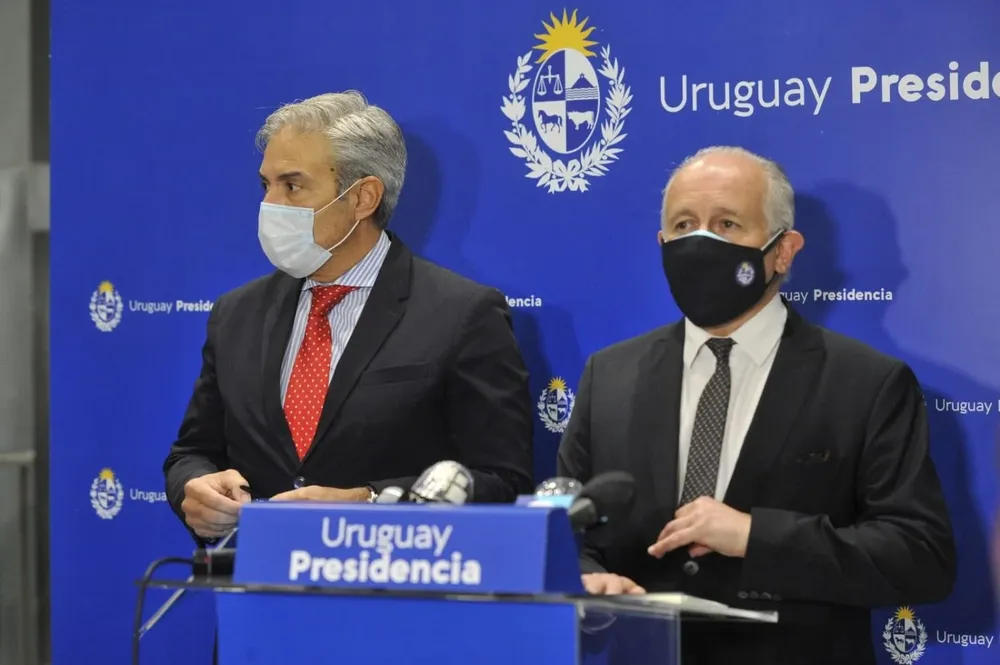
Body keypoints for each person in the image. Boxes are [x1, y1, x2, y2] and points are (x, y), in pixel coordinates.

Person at [557, 146, 956, 665]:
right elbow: (568, 531)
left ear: (783, 251)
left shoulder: (867, 383)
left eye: (726, 224)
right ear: (661, 243)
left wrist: (755, 536)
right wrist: (587, 576)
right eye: (683, 225)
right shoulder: (609, 375)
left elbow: (920, 557)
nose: (700, 243)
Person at [164, 91, 533, 541]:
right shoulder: (236, 314)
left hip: (395, 592)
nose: (271, 205)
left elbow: (504, 483)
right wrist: (193, 487)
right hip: (259, 588)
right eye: (267, 185)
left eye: (292, 186)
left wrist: (370, 502)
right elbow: (193, 452)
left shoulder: (463, 314)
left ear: (363, 198)